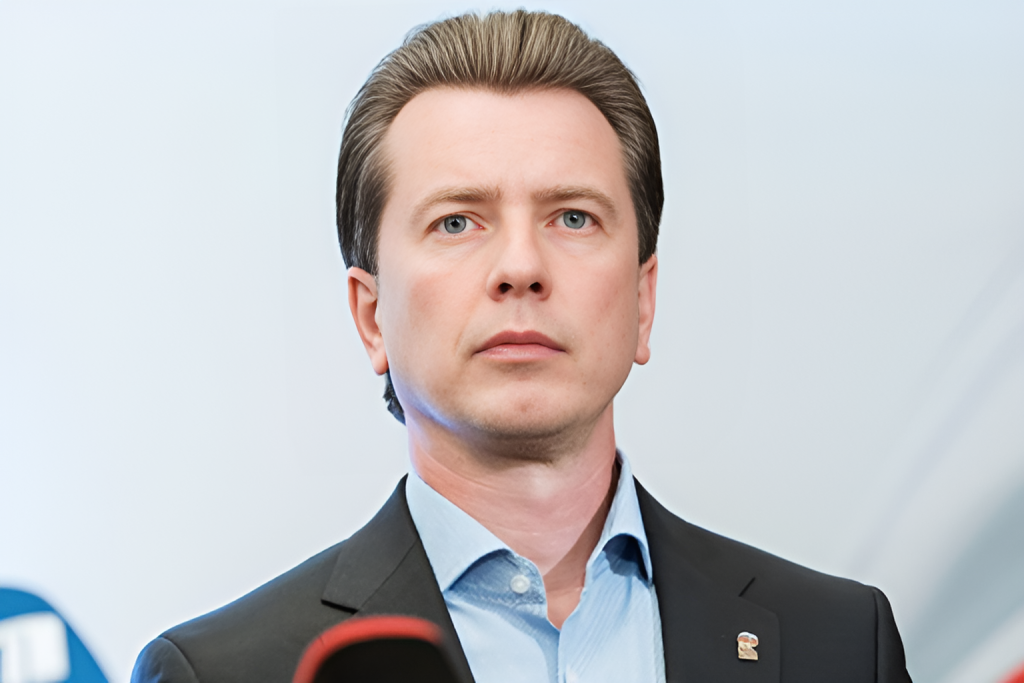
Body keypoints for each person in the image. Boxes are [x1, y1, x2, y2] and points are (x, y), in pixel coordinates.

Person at [132, 10, 911, 683]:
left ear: (642, 300)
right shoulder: (221, 671)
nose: (521, 267)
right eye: (456, 221)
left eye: (573, 217)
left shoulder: (840, 642)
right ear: (371, 316)